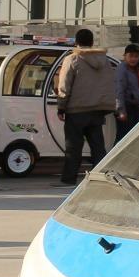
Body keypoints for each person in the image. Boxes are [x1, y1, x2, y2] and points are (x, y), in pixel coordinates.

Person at [54, 29, 120, 185]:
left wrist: (61, 106)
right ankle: (103, 179)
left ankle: (69, 179)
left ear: (76, 42)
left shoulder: (73, 58)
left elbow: (64, 85)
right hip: (97, 110)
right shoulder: (105, 61)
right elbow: (109, 85)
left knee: (73, 147)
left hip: (76, 110)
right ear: (92, 43)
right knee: (98, 146)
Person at [114, 44, 139, 138]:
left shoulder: (133, 70)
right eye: (131, 56)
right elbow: (119, 91)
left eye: (136, 56)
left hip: (134, 108)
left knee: (132, 138)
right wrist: (121, 111)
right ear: (124, 56)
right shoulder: (122, 69)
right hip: (127, 108)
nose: (134, 59)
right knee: (123, 139)